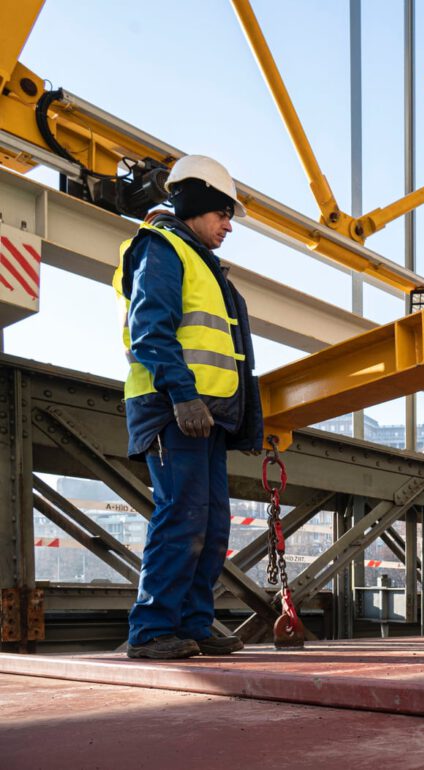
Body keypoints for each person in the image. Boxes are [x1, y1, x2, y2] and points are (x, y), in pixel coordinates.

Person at [113, 155, 263, 659]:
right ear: (197, 205)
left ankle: (195, 624)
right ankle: (152, 629)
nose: (227, 226)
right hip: (173, 408)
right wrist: (181, 393)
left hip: (208, 415)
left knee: (211, 522)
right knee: (182, 515)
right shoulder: (162, 248)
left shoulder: (203, 264)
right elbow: (150, 330)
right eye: (222, 214)